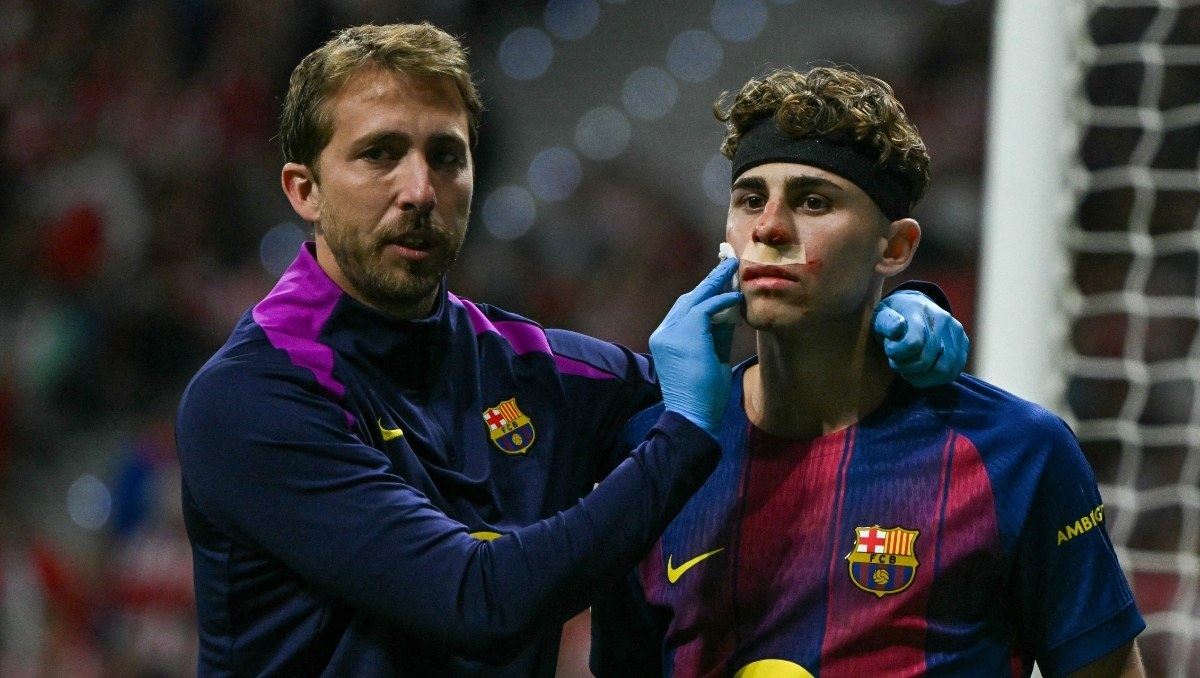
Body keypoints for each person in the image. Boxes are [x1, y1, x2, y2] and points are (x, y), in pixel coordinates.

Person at [174, 24, 967, 677]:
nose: (420, 189)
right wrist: (683, 428)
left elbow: (771, 402)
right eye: (380, 154)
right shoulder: (253, 398)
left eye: (446, 155)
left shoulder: (535, 368)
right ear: (303, 189)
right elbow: (474, 601)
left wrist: (892, 317)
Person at [589, 65, 1146, 678]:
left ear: (895, 248)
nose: (770, 228)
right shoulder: (653, 455)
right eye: (751, 199)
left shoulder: (1016, 451)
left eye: (813, 201)